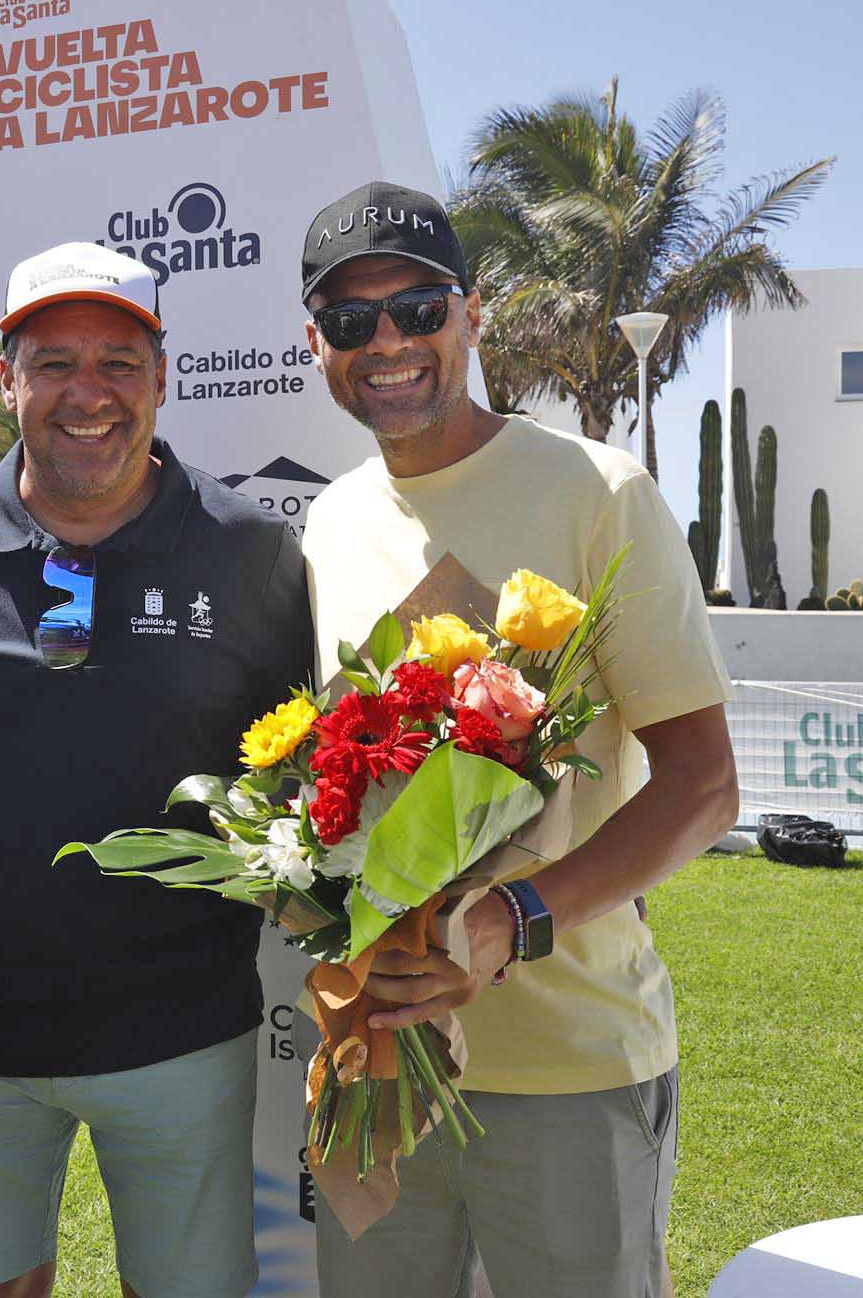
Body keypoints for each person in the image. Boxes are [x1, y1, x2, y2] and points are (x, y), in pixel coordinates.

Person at [295, 182, 740, 1296]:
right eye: (351, 321)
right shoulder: (327, 523)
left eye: (417, 308)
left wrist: (513, 916)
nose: (386, 342)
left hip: (569, 1065)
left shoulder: (598, 491)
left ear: (473, 314)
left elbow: (702, 785)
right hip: (381, 1063)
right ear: (315, 344)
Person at [0, 241, 313, 1298]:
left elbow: (293, 782)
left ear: (164, 378)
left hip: (179, 1039)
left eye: (119, 363)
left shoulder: (249, 551)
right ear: (7, 381)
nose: (89, 394)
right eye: (54, 362)